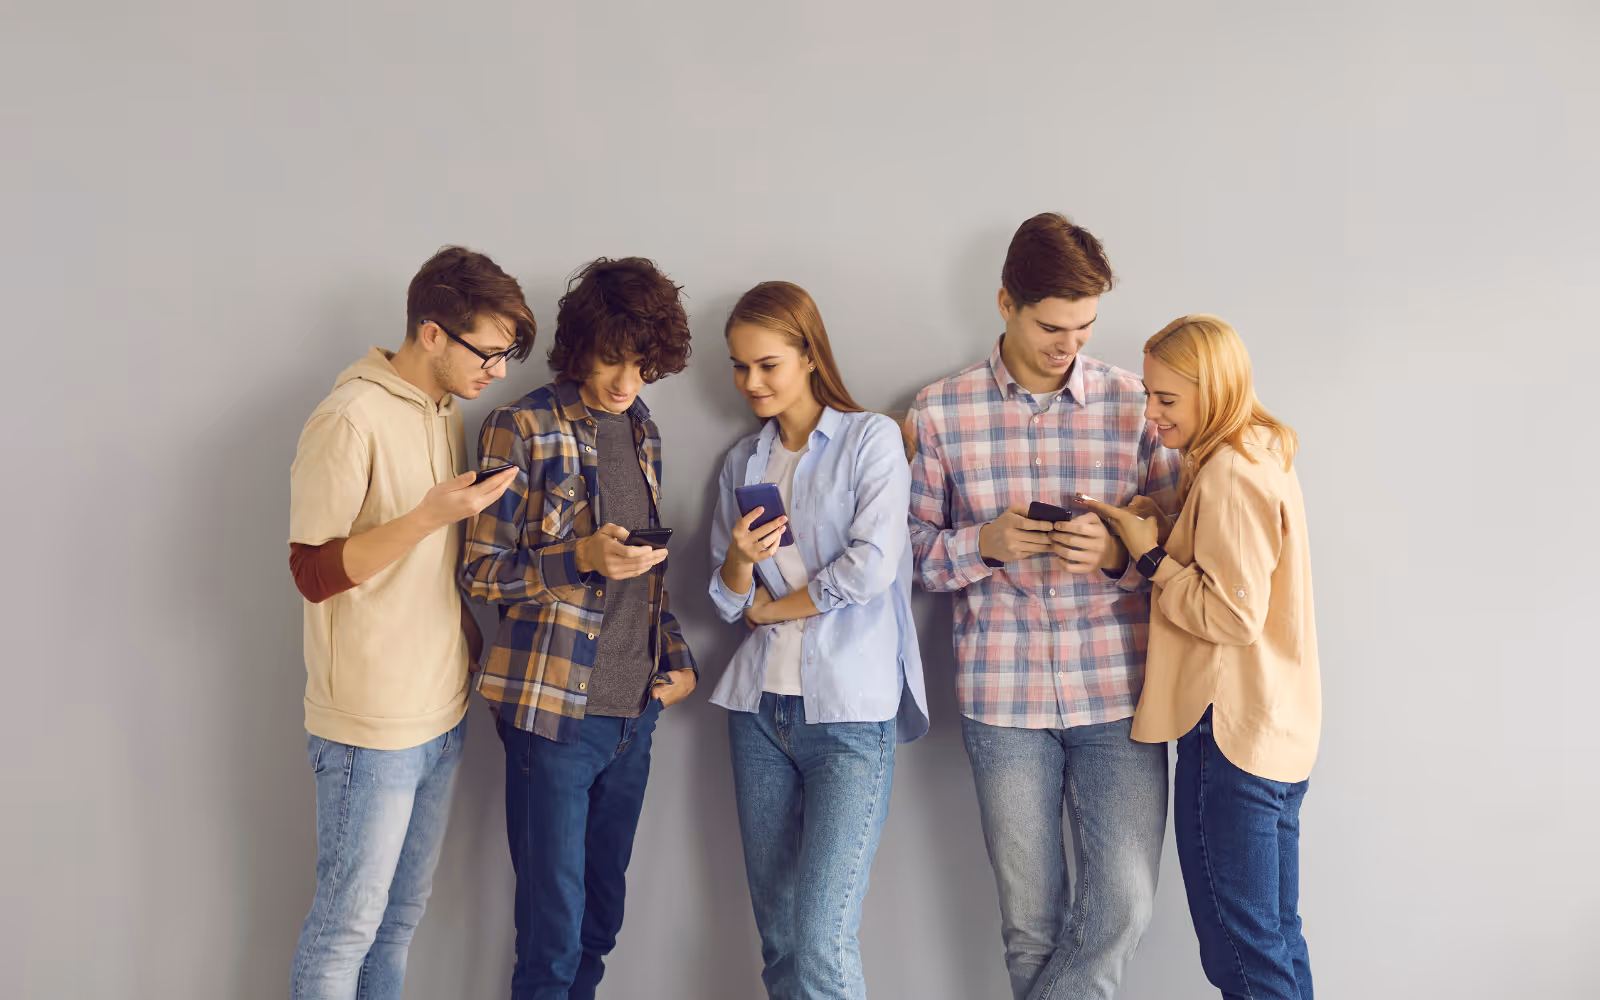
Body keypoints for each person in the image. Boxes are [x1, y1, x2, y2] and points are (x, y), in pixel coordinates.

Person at [905, 213, 1182, 1000]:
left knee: (1124, 904)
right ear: (1006, 303)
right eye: (1053, 326)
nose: (1071, 346)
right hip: (1003, 695)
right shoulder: (939, 412)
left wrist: (1121, 554)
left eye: (1087, 327)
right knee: (1030, 924)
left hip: (1118, 692)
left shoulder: (1137, 407)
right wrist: (982, 544)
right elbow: (914, 561)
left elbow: (1175, 534)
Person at [286, 246, 536, 999]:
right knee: (344, 933)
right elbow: (312, 572)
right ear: (433, 334)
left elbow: (429, 574)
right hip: (370, 728)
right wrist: (429, 516)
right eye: (488, 352)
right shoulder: (347, 418)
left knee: (399, 923)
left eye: (506, 354)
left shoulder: (443, 411)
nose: (497, 370)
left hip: (441, 712)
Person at [460, 256, 699, 1000]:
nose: (626, 381)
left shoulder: (644, 431)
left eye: (642, 364)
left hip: (635, 713)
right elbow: (480, 573)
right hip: (553, 716)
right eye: (610, 359)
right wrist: (578, 558)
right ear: (580, 345)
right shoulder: (519, 426)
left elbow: (648, 573)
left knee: (601, 923)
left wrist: (677, 661)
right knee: (552, 937)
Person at [1078, 315, 1319, 1000]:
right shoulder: (1256, 454)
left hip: (1230, 738)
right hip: (1272, 733)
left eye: (1166, 400)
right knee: (1276, 944)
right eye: (1150, 396)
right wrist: (1157, 511)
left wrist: (1150, 558)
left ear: (1210, 392)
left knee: (1243, 957)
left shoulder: (1233, 476)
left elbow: (1229, 616)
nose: (1151, 415)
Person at [708, 281, 930, 999]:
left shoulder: (871, 440)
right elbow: (725, 600)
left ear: (809, 355)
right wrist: (740, 561)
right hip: (759, 713)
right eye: (740, 367)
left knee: (822, 939)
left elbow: (871, 569)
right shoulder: (743, 462)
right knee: (778, 937)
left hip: (850, 716)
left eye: (767, 364)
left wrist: (775, 610)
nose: (751, 383)